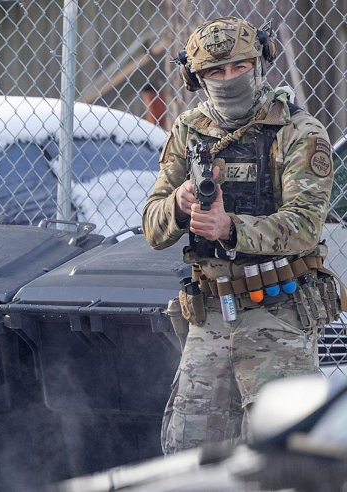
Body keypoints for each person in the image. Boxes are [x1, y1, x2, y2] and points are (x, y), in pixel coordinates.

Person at [142, 16, 343, 454]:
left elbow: (305, 226)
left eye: (240, 66)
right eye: (215, 71)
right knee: (189, 450)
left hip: (278, 312)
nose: (228, 78)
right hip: (211, 314)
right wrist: (179, 203)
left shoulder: (298, 131)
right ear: (195, 78)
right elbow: (153, 227)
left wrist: (230, 228)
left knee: (287, 455)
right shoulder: (188, 130)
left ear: (260, 62)